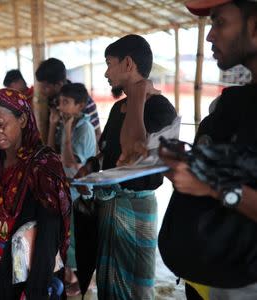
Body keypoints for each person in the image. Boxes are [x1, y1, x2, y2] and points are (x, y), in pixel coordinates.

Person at [159, 1, 257, 299]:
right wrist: (189, 164)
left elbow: (220, 185)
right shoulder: (238, 103)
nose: (210, 36)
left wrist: (214, 186)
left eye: (220, 22)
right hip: (221, 280)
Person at [76, 34, 177, 299]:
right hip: (109, 205)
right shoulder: (117, 108)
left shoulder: (161, 109)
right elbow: (108, 153)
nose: (107, 72)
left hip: (136, 208)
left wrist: (139, 93)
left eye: (110, 63)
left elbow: (133, 152)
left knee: (134, 288)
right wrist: (91, 167)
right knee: (108, 282)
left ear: (128, 64)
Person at [0, 88, 71, 299]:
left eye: (1, 124)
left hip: (31, 276)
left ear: (21, 120)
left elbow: (48, 236)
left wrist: (34, 291)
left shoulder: (43, 165)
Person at [47, 82, 96, 296]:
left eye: (66, 103)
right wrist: (52, 125)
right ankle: (71, 275)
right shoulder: (68, 123)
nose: (61, 107)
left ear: (80, 105)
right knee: (67, 235)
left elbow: (69, 160)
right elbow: (50, 152)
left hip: (79, 192)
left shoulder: (83, 128)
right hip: (66, 189)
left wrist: (66, 130)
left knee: (76, 236)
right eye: (60, 102)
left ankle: (85, 279)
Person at [35, 58, 102, 143]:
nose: (41, 91)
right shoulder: (51, 100)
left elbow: (96, 134)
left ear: (59, 84)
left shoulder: (83, 100)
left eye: (45, 87)